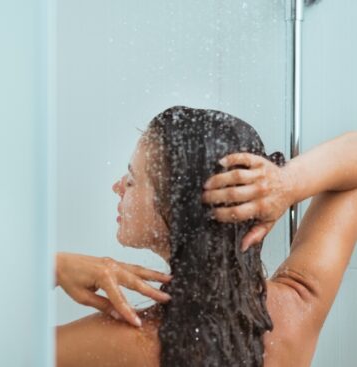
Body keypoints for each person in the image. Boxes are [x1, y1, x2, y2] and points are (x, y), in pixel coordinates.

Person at [55, 106, 357, 367]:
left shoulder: (129, 341)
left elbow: (10, 351)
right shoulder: (298, 304)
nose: (117, 186)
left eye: (132, 179)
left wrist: (56, 267)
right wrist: (287, 183)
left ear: (178, 211)